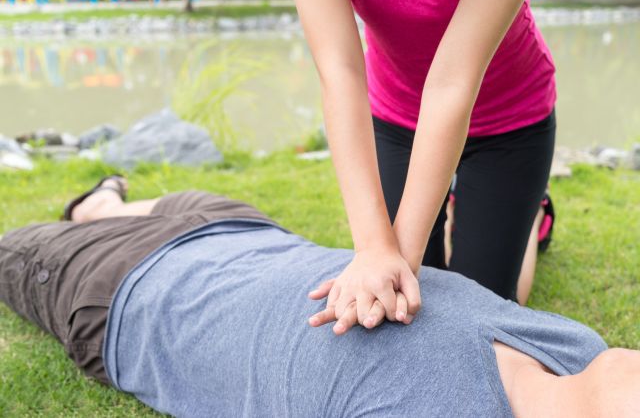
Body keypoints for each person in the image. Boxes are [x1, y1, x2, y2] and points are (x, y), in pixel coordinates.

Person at [1, 177, 638, 417]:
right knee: (159, 202)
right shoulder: (577, 349)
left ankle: (99, 210)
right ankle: (103, 203)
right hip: (247, 231)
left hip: (128, 292)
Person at [291, 0, 557, 331]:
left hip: (509, 119)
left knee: (479, 309)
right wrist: (374, 250)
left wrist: (399, 264)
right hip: (398, 116)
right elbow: (339, 71)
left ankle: (531, 216)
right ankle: (458, 212)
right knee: (417, 298)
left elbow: (452, 80)